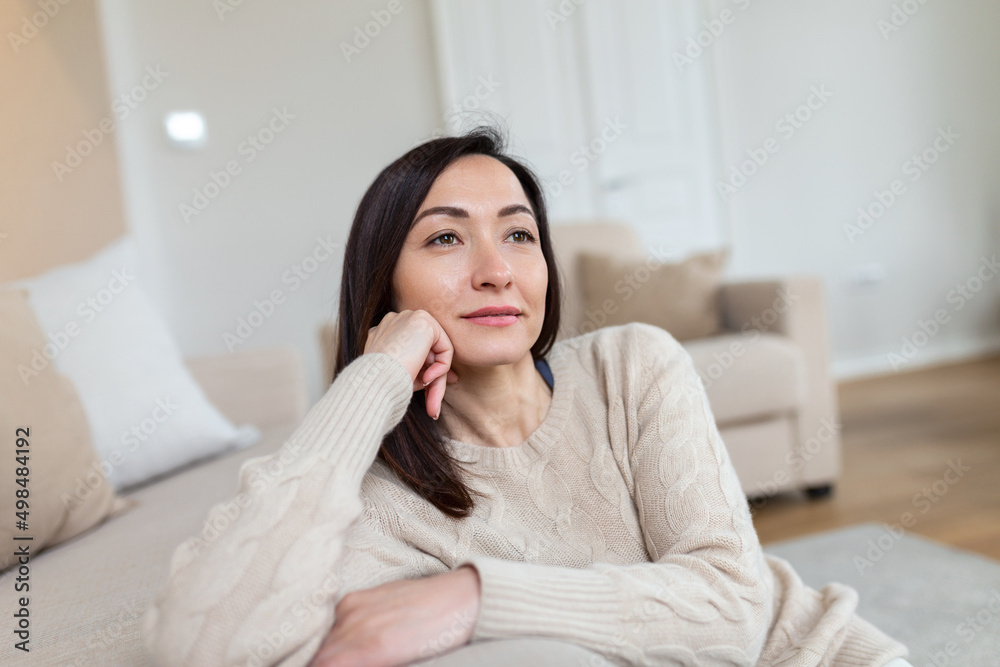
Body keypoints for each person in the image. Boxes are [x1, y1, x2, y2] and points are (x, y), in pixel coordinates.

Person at [142, 125, 914, 667]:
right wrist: (372, 380)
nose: (496, 270)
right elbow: (202, 645)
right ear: (385, 286)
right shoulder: (379, 503)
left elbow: (734, 611)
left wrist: (472, 598)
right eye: (446, 238)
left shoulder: (631, 365)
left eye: (518, 235)